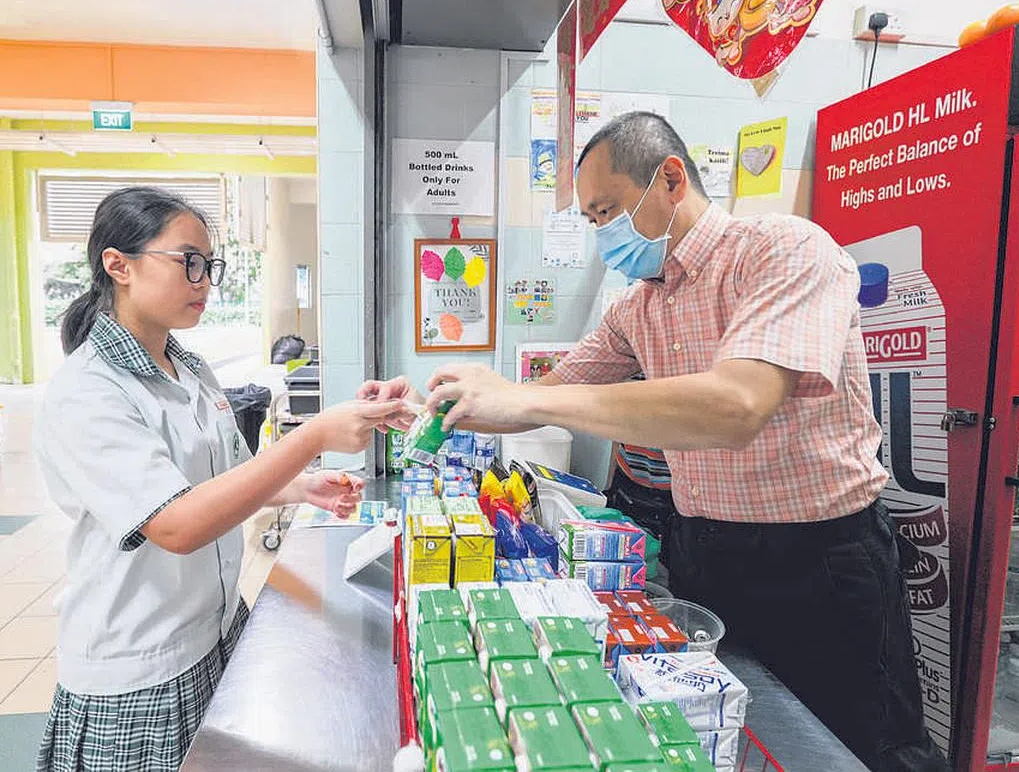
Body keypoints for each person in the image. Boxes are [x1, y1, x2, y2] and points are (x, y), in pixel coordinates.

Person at [361, 112, 947, 772]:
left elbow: (738, 404)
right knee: (729, 739)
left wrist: (524, 396)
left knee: (858, 749)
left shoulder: (783, 250)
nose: (600, 234)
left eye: (607, 210)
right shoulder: (637, 306)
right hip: (708, 551)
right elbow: (550, 394)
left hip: (823, 560)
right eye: (589, 218)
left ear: (670, 178)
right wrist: (437, 410)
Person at [35, 187, 408, 772]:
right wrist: (313, 437)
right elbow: (178, 524)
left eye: (210, 265)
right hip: (141, 663)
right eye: (189, 262)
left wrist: (303, 486)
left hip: (214, 630)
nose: (205, 281)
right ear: (118, 265)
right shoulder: (90, 390)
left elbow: (230, 475)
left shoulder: (187, 365)